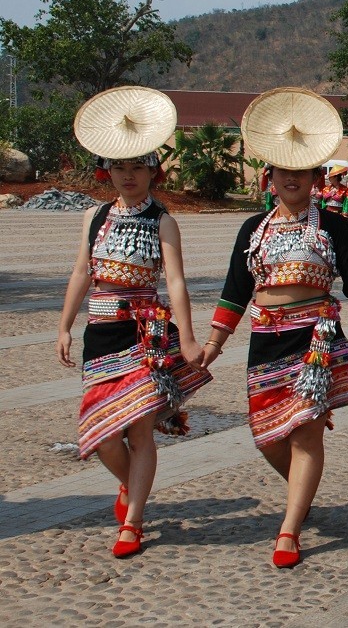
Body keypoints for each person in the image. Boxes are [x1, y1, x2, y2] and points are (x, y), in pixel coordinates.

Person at [199, 87, 348, 568]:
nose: (292, 178)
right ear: (270, 176)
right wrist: (213, 342)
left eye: (301, 171)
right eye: (284, 171)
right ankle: (301, 495)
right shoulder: (253, 230)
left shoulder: (334, 227)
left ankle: (289, 529)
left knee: (306, 433)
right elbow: (235, 290)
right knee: (266, 435)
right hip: (266, 338)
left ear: (315, 177)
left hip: (315, 340)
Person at [59, 86, 211, 558]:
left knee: (139, 430)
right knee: (102, 435)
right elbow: (83, 271)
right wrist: (64, 325)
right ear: (109, 171)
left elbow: (178, 283)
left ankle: (134, 521)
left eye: (137, 168)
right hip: (100, 333)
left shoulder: (164, 222)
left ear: (152, 171)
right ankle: (132, 486)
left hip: (145, 335)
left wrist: (187, 337)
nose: (128, 176)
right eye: (120, 168)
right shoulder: (93, 216)